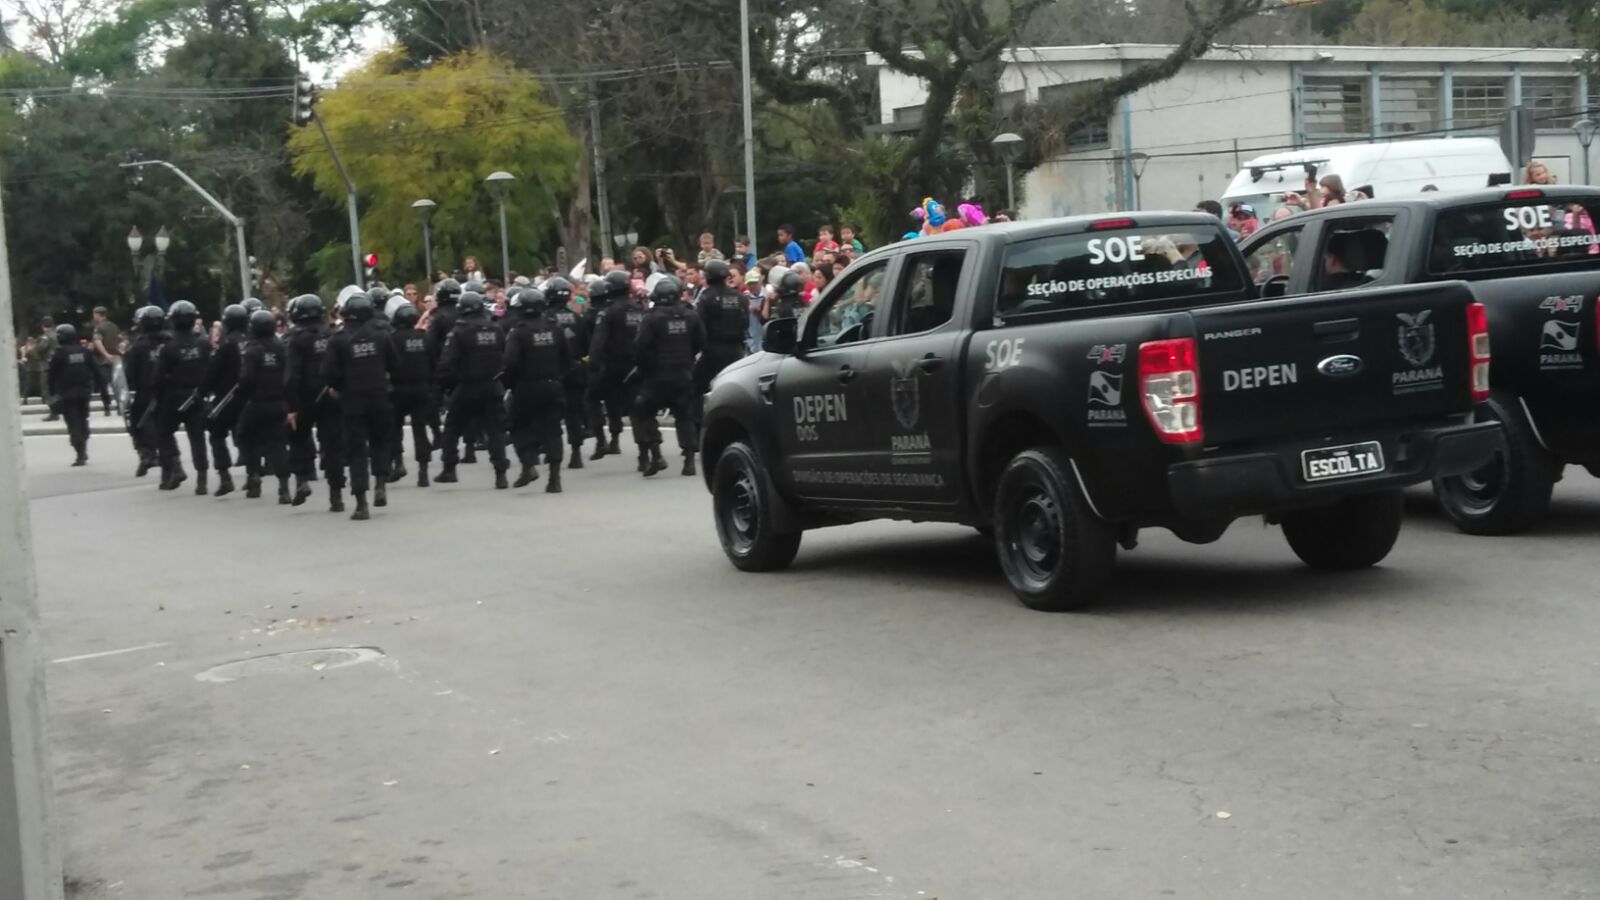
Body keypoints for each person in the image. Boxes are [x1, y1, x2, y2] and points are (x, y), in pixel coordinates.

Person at [322, 292, 398, 521]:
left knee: (356, 452)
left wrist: (337, 388)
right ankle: (381, 484)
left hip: (351, 401)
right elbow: (395, 365)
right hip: (379, 397)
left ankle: (361, 503)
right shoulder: (382, 336)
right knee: (380, 443)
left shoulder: (338, 339)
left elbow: (328, 372)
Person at [435, 291, 510, 488]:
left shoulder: (459, 331)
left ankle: (449, 468)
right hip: (493, 386)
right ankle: (501, 473)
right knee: (495, 431)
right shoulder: (496, 328)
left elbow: (447, 363)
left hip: (467, 386)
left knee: (452, 427)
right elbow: (505, 355)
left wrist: (445, 386)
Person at [633, 276, 705, 477]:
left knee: (643, 412)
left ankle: (656, 454)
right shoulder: (691, 316)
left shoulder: (651, 318)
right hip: (684, 374)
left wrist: (645, 368)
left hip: (657, 376)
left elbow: (640, 347)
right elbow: (701, 342)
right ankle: (689, 461)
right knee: (685, 415)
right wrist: (687, 359)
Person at [502, 287, 571, 492]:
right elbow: (567, 358)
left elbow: (510, 363)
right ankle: (555, 478)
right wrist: (558, 378)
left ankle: (528, 465)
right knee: (553, 429)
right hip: (553, 385)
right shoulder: (555, 329)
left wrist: (510, 385)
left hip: (526, 386)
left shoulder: (518, 332)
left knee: (519, 426)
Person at [284, 294, 345, 511]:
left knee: (297, 437)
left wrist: (291, 406)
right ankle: (336, 495)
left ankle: (302, 479)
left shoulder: (297, 338)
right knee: (333, 444)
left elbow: (292, 375)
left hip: (305, 398)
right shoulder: (333, 334)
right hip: (331, 395)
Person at [153, 300, 212, 493]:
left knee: (163, 433)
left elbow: (158, 377)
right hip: (197, 395)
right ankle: (202, 479)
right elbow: (211, 370)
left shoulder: (168, 347)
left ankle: (175, 465)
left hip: (174, 397)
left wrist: (158, 399)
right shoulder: (203, 343)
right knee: (197, 437)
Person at [237, 309, 292, 503]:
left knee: (245, 436)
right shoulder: (281, 347)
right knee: (278, 444)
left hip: (257, 403)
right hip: (279, 403)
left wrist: (242, 394)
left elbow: (246, 378)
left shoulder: (252, 350)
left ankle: (253, 475)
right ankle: (284, 488)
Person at [588, 269, 644, 462]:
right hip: (637, 366)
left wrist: (593, 365)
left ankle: (601, 441)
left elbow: (598, 342)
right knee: (637, 408)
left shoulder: (608, 312)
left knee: (592, 397)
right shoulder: (639, 308)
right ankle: (645, 454)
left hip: (613, 365)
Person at [201, 304, 250, 497]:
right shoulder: (252, 341)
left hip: (228, 398)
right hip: (250, 396)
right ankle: (253, 476)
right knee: (248, 435)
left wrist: (202, 392)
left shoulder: (226, 346)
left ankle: (225, 477)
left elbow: (212, 373)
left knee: (216, 434)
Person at [543, 276, 591, 468]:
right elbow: (587, 346)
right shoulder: (578, 318)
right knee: (573, 413)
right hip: (575, 370)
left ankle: (552, 451)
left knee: (550, 413)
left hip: (551, 372)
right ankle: (576, 453)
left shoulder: (545, 319)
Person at [47, 323, 109, 466]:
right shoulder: (84, 351)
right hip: (84, 392)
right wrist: (104, 391)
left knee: (73, 423)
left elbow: (51, 376)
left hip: (67, 394)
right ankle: (83, 446)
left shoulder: (59, 354)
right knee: (83, 419)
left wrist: (52, 394)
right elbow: (97, 372)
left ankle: (80, 452)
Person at [388, 301, 434, 487]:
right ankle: (423, 472)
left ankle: (398, 463)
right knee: (420, 430)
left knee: (394, 428)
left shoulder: (393, 339)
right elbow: (433, 362)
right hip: (421, 389)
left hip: (397, 389)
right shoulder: (425, 338)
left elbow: (388, 363)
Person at [693, 257, 750, 397]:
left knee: (696, 386)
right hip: (737, 350)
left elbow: (699, 325)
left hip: (713, 351)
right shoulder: (740, 296)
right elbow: (746, 323)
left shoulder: (706, 297)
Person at [122, 306, 168, 477]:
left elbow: (129, 374)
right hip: (169, 392)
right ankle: (169, 464)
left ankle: (146, 454)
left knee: (135, 423)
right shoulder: (170, 342)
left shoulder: (137, 347)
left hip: (146, 393)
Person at [90, 307, 122, 412]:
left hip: (102, 359)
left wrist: (106, 354)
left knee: (103, 383)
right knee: (116, 382)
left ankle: (107, 405)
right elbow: (120, 339)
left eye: (94, 314)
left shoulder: (99, 328)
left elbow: (97, 341)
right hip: (115, 358)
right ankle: (120, 404)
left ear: (97, 314)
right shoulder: (114, 326)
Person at [30, 319, 57, 419]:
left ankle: (54, 412)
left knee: (46, 389)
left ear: (43, 326)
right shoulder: (57, 335)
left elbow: (40, 348)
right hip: (58, 365)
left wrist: (34, 351)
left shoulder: (46, 336)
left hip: (47, 365)